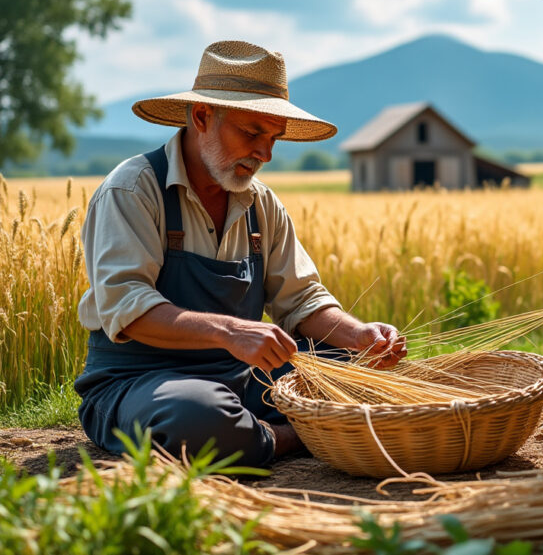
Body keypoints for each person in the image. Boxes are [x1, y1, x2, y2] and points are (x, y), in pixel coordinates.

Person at [75, 40, 407, 466]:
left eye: (274, 139)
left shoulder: (260, 204)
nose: (264, 154)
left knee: (351, 367)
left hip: (246, 380)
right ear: (202, 117)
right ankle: (300, 435)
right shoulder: (134, 189)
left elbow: (302, 301)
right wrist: (230, 332)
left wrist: (360, 336)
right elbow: (130, 310)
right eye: (252, 132)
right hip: (142, 383)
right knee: (198, 416)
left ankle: (257, 433)